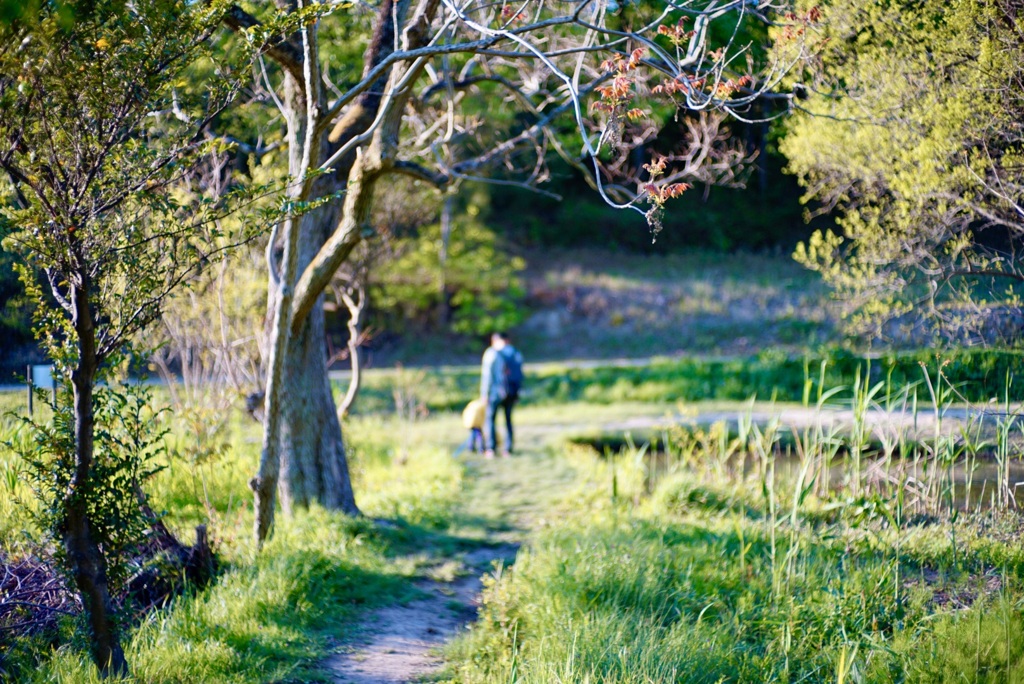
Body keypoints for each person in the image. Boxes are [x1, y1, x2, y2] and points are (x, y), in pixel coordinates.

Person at [480, 331, 523, 458]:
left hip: (495, 393)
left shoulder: (491, 353)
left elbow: (486, 376)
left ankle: (491, 449)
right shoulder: (515, 353)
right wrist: (517, 393)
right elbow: (520, 375)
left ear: (495, 340)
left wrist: (484, 394)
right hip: (511, 392)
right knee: (508, 420)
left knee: (491, 420)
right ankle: (508, 449)